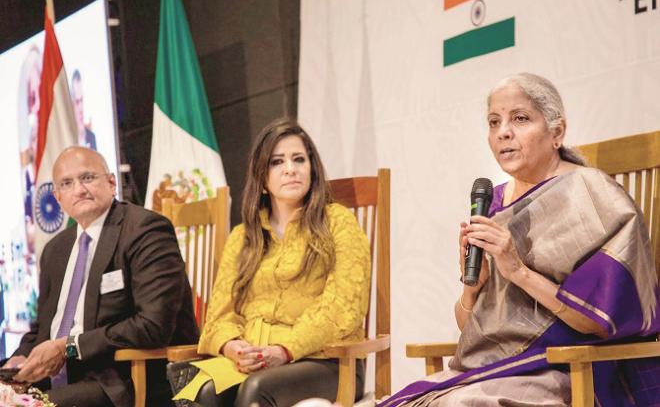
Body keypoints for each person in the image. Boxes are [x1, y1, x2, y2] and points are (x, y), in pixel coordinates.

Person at [381, 73, 660, 407]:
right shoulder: (494, 202)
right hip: (493, 371)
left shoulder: (593, 195)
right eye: (494, 122)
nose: (504, 132)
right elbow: (475, 332)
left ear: (557, 132)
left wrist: (518, 272)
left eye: (520, 118)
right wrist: (473, 287)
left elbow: (599, 321)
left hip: (567, 366)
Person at [173, 118, 371, 406]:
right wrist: (233, 348)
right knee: (205, 394)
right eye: (277, 162)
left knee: (256, 390)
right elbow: (219, 316)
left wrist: (285, 349)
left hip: (328, 362)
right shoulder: (242, 237)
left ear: (312, 169)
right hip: (254, 360)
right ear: (262, 179)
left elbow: (344, 308)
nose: (290, 169)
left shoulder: (338, 221)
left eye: (299, 159)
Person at [2, 146, 199, 407]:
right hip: (55, 381)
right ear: (58, 198)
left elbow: (153, 327)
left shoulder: (145, 230)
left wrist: (68, 347)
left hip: (121, 380)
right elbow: (42, 329)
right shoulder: (55, 250)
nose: (79, 189)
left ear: (111, 183)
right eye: (67, 183)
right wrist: (18, 363)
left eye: (87, 178)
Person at [71, 70, 97, 150]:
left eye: (81, 100)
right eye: (77, 102)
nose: (80, 108)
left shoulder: (91, 138)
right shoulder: (67, 138)